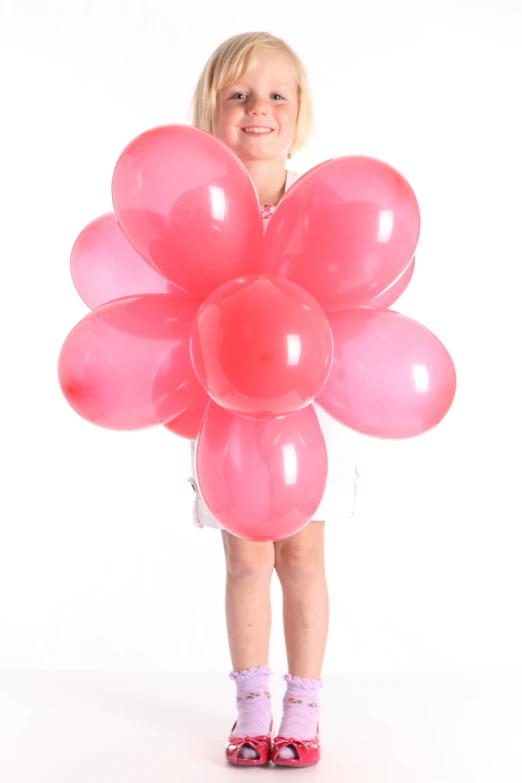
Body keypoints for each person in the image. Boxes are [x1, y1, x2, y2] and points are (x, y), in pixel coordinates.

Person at [189, 31, 359, 767]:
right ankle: (252, 706)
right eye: (237, 95)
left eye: (275, 94)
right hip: (227, 418)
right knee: (245, 561)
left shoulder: (319, 207)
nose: (257, 108)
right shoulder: (198, 212)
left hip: (313, 415)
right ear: (212, 112)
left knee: (305, 557)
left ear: (300, 114)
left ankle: (305, 706)